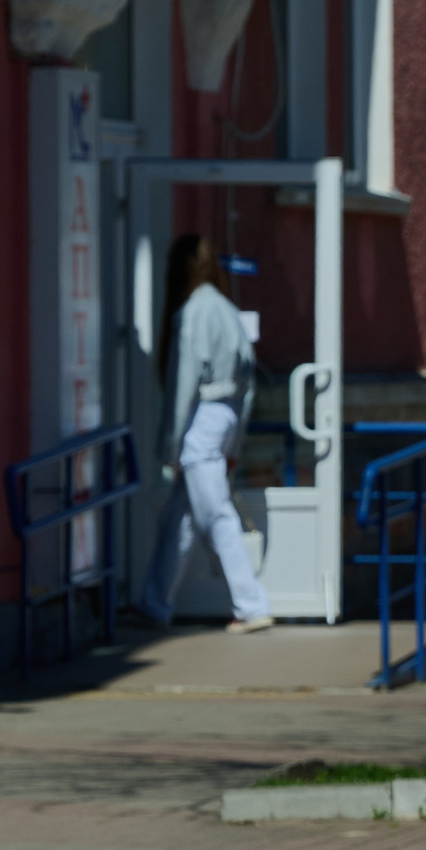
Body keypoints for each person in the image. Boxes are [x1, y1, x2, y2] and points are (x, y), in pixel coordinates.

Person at [139, 235, 270, 632]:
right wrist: (237, 440)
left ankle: (252, 606)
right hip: (226, 417)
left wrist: (169, 444)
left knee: (216, 515)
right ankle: (155, 604)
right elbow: (249, 380)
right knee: (178, 520)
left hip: (202, 420)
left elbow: (182, 385)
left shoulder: (192, 311)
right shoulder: (227, 309)